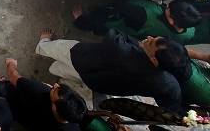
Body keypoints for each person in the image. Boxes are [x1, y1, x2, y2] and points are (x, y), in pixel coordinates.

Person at [35, 29, 185, 113]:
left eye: (152, 42)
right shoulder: (167, 85)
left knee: (61, 49)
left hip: (85, 58)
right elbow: (171, 105)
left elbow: (113, 34)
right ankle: (53, 68)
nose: (149, 37)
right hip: (98, 82)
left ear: (154, 60)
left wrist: (138, 44)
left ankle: (43, 45)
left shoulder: (124, 52)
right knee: (65, 71)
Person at [0, 58, 88, 131]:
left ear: (55, 107)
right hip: (26, 121)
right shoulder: (72, 127)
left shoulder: (39, 91)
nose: (55, 85)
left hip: (16, 99)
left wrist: (11, 63)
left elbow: (12, 75)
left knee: (7, 88)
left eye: (55, 90)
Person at [73, 0, 202, 43]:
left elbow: (120, 6)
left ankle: (81, 22)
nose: (166, 6)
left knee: (99, 22)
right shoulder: (189, 30)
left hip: (119, 23)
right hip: (134, 33)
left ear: (172, 21)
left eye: (168, 9)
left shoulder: (145, 16)